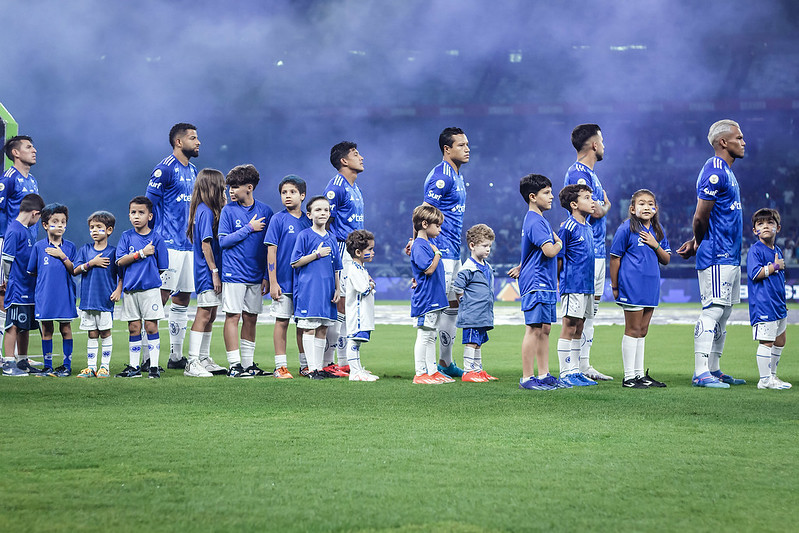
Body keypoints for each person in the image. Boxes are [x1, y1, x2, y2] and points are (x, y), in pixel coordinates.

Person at [677, 119, 747, 389]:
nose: (744, 142)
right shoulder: (714, 170)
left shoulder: (727, 171)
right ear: (723, 142)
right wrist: (697, 242)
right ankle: (700, 372)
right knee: (713, 311)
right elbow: (699, 216)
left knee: (725, 312)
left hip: (729, 254)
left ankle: (714, 369)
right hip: (717, 254)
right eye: (738, 138)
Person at [145, 123, 200, 370]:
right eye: (193, 138)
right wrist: (153, 238)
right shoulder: (164, 169)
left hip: (188, 245)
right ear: (179, 142)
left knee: (184, 297)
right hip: (168, 244)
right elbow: (147, 205)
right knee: (161, 296)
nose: (198, 142)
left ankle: (176, 356)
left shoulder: (194, 170)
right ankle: (146, 357)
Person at [563, 124, 613, 381]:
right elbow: (592, 210)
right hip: (585, 252)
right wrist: (604, 208)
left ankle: (583, 365)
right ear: (594, 144)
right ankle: (572, 367)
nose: (604, 145)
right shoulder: (579, 174)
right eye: (602, 141)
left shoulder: (590, 174)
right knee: (579, 312)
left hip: (596, 251)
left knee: (590, 311)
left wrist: (602, 207)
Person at [419, 127, 470, 378]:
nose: (467, 148)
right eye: (461, 145)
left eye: (467, 144)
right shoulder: (441, 176)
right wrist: (419, 244)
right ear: (447, 149)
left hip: (453, 251)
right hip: (440, 251)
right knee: (435, 308)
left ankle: (445, 362)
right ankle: (426, 369)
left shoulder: (457, 175)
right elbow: (424, 212)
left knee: (453, 305)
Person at [609, 189, 671, 389]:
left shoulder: (658, 231)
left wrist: (655, 245)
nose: (646, 207)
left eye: (650, 203)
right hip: (632, 286)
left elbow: (667, 259)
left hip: (651, 287)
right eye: (641, 203)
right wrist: (615, 286)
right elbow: (614, 258)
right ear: (632, 209)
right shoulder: (626, 228)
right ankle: (628, 378)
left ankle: (639, 374)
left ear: (656, 208)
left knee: (643, 331)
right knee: (633, 329)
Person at [218, 164, 272, 378]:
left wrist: (267, 275)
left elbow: (270, 246)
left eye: (235, 187)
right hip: (234, 273)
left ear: (249, 187)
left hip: (256, 275)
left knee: (251, 318)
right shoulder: (228, 210)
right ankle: (234, 365)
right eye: (229, 187)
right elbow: (223, 242)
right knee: (233, 316)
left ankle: (249, 365)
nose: (230, 191)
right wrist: (249, 228)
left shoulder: (266, 211)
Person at [114, 196, 169, 379]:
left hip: (150, 291)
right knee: (134, 327)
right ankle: (134, 367)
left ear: (150, 216)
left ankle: (153, 366)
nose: (136, 216)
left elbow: (162, 267)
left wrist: (148, 277)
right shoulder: (126, 236)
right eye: (133, 212)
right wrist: (141, 254)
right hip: (130, 291)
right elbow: (120, 261)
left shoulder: (157, 238)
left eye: (141, 212)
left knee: (151, 326)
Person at [323, 141, 365, 377]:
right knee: (340, 303)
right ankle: (333, 360)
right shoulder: (336, 187)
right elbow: (324, 220)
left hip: (354, 252)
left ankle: (344, 360)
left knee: (350, 305)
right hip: (340, 249)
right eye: (356, 154)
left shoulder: (355, 187)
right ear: (344, 161)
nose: (362, 158)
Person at [517, 174, 562, 391]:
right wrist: (560, 243)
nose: (552, 196)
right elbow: (549, 251)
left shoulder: (538, 220)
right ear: (533, 197)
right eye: (547, 192)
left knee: (545, 328)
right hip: (537, 281)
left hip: (544, 281)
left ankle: (543, 374)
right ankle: (527, 377)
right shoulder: (535, 221)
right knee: (534, 328)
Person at [265, 175, 311, 379]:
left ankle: (305, 365)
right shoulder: (278, 219)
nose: (288, 196)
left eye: (292, 192)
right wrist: (273, 282)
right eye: (284, 192)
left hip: (305, 284)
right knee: (282, 322)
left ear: (302, 195)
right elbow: (271, 252)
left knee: (304, 325)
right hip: (283, 282)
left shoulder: (309, 221)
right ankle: (280, 366)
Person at [291, 196, 342, 380]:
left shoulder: (332, 238)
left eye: (326, 210)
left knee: (322, 328)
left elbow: (337, 266)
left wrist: (337, 288)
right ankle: (311, 369)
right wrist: (316, 255)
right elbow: (295, 262)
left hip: (327, 289)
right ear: (309, 214)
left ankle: (319, 368)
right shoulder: (304, 235)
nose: (323, 213)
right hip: (309, 290)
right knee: (309, 328)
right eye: (318, 210)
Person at [184, 169, 228, 377]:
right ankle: (192, 361)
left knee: (211, 314)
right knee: (203, 313)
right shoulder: (205, 212)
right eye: (221, 186)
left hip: (209, 270)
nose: (224, 189)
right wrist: (214, 272)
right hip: (206, 271)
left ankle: (203, 357)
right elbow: (205, 245)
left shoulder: (206, 210)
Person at [26, 203, 78, 376]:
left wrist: (61, 256)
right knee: (47, 330)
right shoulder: (39, 247)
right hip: (45, 296)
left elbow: (74, 270)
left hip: (65, 295)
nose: (61, 225)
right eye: (55, 221)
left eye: (63, 222)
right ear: (45, 225)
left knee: (65, 329)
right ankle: (48, 366)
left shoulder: (70, 247)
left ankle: (66, 365)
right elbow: (33, 272)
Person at [1, 136, 40, 355]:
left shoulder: (32, 180)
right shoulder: (8, 178)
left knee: (21, 299)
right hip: (8, 243)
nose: (34, 150)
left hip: (28, 245)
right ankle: (4, 356)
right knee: (4, 294)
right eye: (28, 147)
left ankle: (19, 356)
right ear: (15, 153)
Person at [556, 184, 598, 387]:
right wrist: (558, 283)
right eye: (587, 197)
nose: (592, 201)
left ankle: (575, 370)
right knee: (569, 325)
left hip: (587, 286)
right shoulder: (568, 227)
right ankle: (565, 373)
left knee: (580, 326)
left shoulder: (588, 226)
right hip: (572, 284)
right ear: (574, 204)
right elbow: (559, 259)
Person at [746, 208, 791, 390]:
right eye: (760, 223)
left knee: (780, 340)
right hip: (764, 305)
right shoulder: (755, 251)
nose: (765, 226)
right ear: (754, 230)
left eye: (770, 223)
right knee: (767, 341)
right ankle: (764, 380)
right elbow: (755, 273)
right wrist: (775, 266)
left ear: (778, 228)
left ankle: (772, 376)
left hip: (778, 305)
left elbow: (778, 279)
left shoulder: (777, 250)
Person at [74, 211, 122, 379]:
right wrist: (91, 263)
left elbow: (121, 273)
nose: (94, 230)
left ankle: (105, 367)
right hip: (88, 300)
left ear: (109, 230)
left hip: (105, 300)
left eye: (99, 227)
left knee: (105, 333)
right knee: (92, 334)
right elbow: (75, 270)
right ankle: (91, 368)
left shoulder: (113, 252)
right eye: (92, 227)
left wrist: (119, 289)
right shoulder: (85, 249)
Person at [409, 204, 453, 385]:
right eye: (438, 226)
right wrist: (437, 254)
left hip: (434, 298)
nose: (440, 230)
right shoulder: (420, 245)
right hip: (426, 300)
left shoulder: (425, 244)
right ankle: (420, 373)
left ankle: (432, 371)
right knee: (424, 335)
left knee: (430, 335)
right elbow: (428, 270)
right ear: (425, 224)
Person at [0, 193, 43, 376]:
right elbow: (6, 259)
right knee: (13, 324)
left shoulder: (25, 230)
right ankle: (9, 363)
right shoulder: (14, 230)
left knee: (25, 325)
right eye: (40, 217)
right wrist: (8, 280)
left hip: (28, 286)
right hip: (17, 287)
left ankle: (22, 361)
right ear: (35, 213)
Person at [453, 223, 498, 383]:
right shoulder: (468, 268)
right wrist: (464, 301)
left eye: (489, 246)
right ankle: (468, 371)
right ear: (472, 245)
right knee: (471, 342)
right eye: (485, 245)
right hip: (472, 314)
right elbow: (457, 287)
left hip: (483, 314)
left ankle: (477, 370)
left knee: (478, 343)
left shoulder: (487, 266)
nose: (488, 249)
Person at [343, 229, 379, 382]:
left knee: (357, 343)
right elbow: (364, 289)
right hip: (357, 314)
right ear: (358, 252)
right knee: (353, 341)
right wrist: (371, 284)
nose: (373, 252)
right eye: (369, 249)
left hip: (364, 313)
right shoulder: (354, 269)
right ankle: (354, 372)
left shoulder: (361, 269)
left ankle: (358, 369)